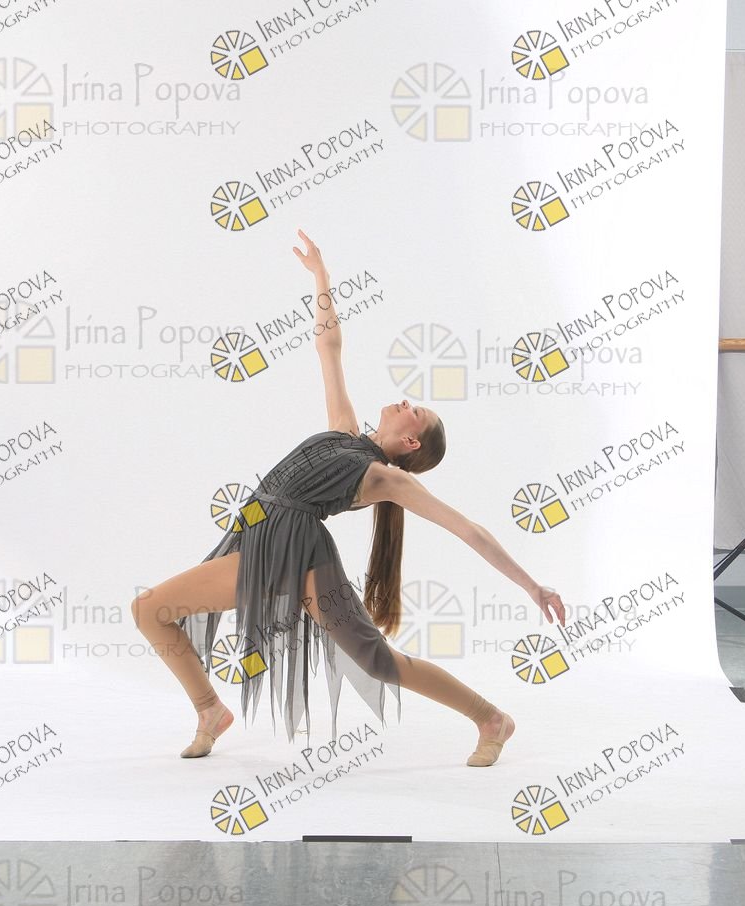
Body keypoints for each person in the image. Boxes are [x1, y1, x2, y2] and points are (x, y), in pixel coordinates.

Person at [130, 230, 566, 766]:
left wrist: (532, 585)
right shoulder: (344, 430)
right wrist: (321, 277)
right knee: (151, 610)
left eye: (415, 412)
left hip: (300, 556)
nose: (405, 402)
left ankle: (492, 719)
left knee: (376, 660)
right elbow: (328, 347)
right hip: (258, 541)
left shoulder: (386, 479)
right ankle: (209, 710)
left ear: (411, 442)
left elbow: (468, 530)